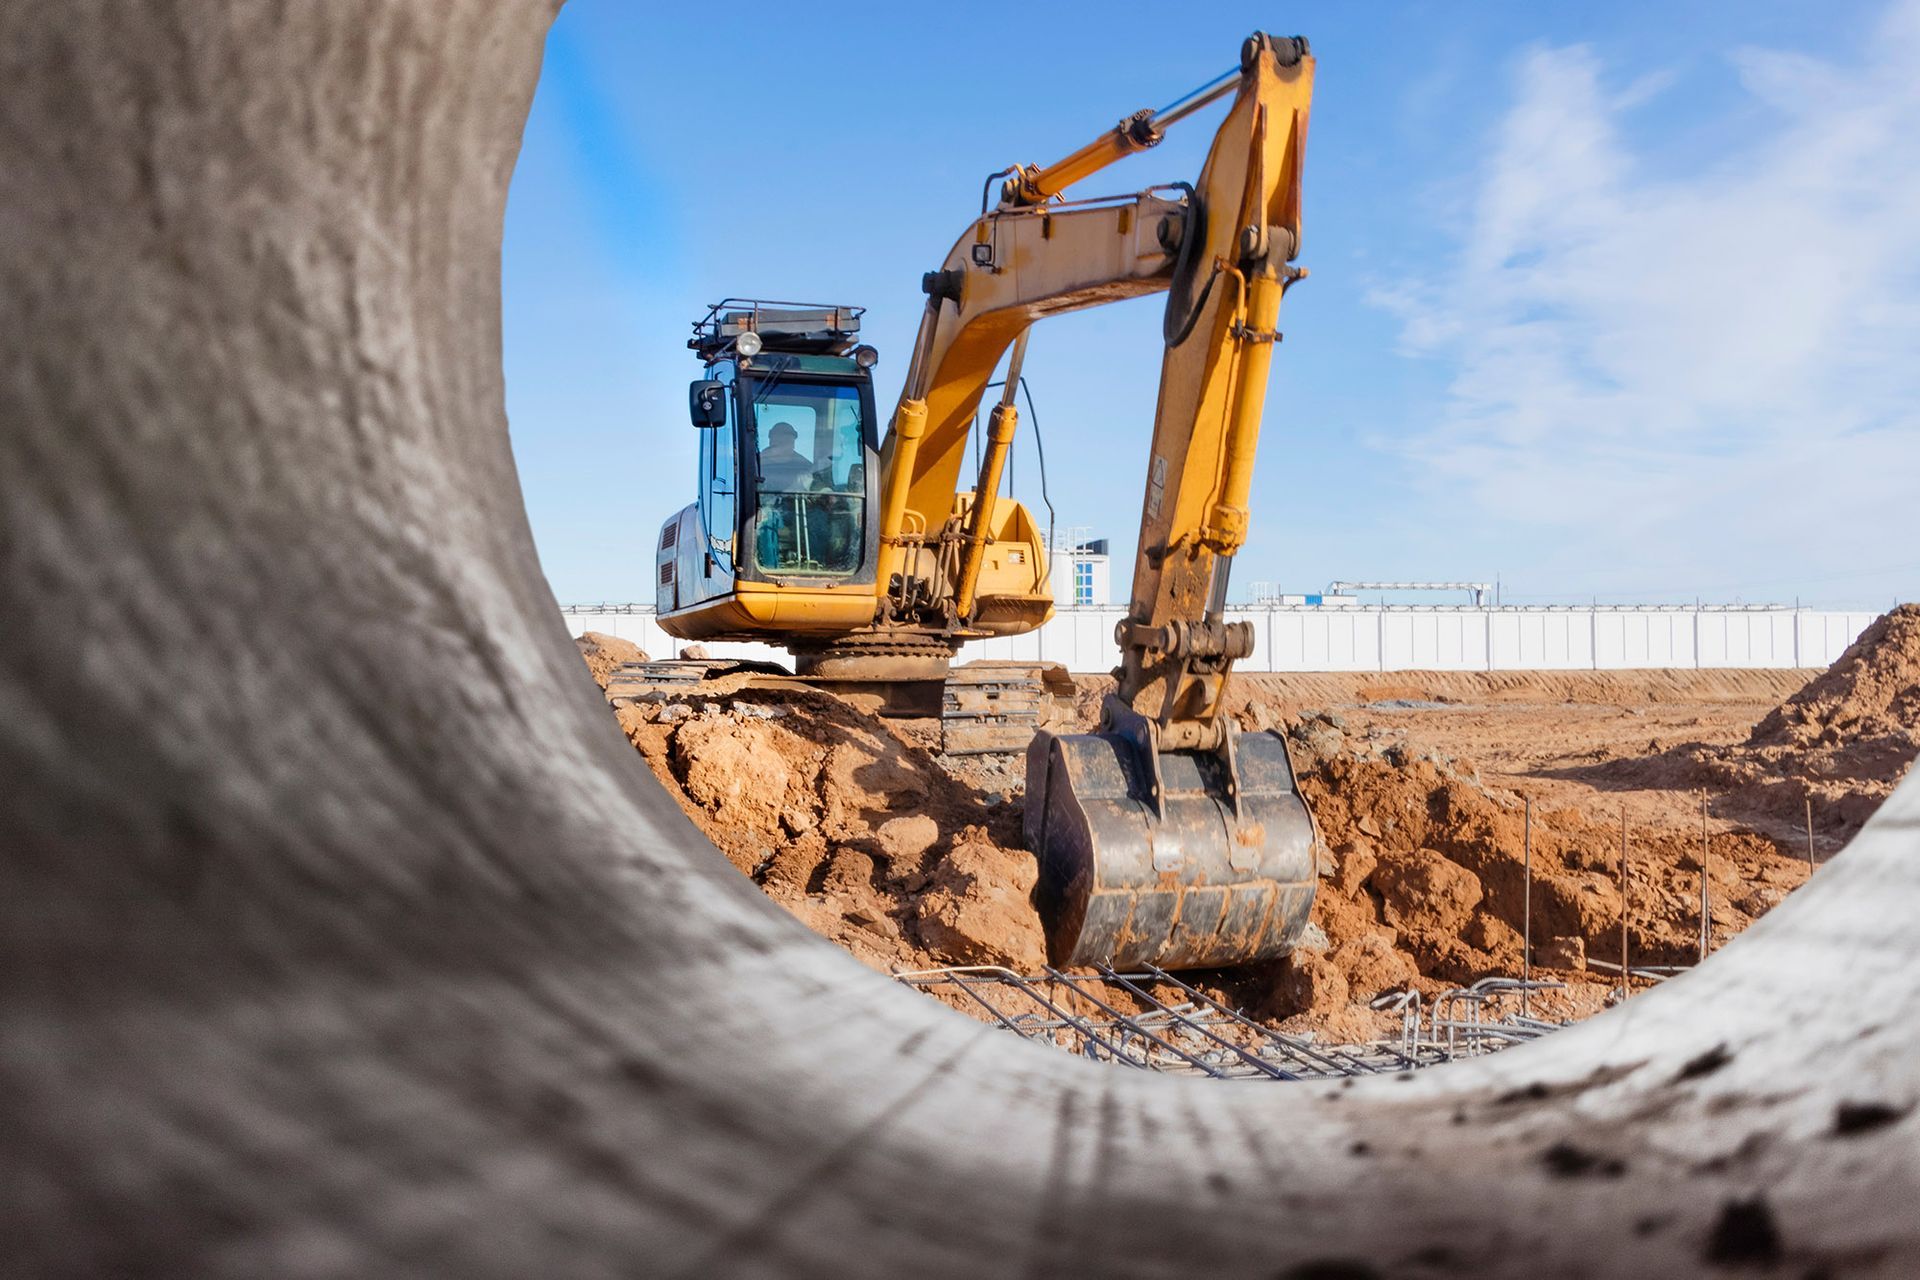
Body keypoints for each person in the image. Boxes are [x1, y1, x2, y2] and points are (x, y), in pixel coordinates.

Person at [757, 421, 812, 492]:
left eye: (787, 441)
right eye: (780, 441)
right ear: (771, 440)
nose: (784, 445)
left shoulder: (804, 466)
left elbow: (819, 488)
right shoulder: (755, 463)